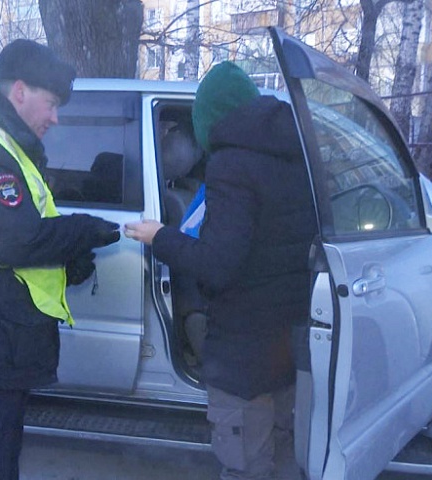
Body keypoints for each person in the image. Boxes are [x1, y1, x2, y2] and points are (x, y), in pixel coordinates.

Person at [0, 39, 120, 480]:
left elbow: (14, 240)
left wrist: (67, 260)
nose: (55, 117)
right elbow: (16, 241)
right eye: (51, 103)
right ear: (20, 91)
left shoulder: (8, 147)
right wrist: (80, 231)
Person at [124, 61, 317, 479]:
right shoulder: (295, 157)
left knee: (245, 463)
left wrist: (160, 237)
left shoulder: (231, 166)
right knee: (284, 453)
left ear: (211, 120)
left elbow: (216, 265)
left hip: (242, 356)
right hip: (285, 348)